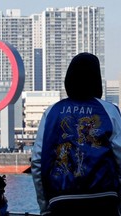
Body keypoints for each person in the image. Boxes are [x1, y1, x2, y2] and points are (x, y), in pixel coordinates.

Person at [31, 52, 121, 216]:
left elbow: (39, 161)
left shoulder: (52, 112)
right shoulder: (109, 110)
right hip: (104, 200)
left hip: (62, 201)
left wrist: (45, 207)